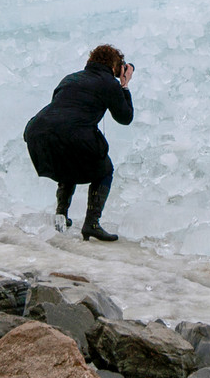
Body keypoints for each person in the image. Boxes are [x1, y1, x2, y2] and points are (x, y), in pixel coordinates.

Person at [24, 44, 135, 241]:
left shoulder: (71, 78)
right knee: (104, 169)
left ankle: (61, 216)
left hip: (37, 131)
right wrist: (124, 85)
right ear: (115, 66)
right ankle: (92, 223)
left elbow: (61, 109)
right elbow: (125, 117)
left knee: (69, 163)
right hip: (70, 132)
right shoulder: (109, 83)